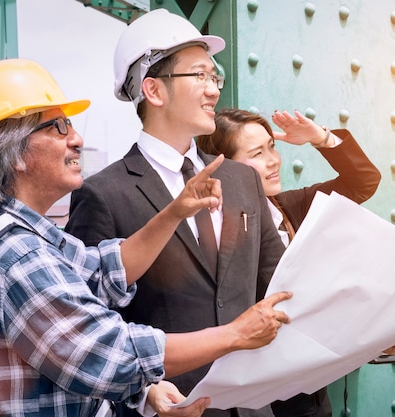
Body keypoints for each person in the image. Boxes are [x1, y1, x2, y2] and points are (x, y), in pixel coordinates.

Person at [0, 58, 292, 417]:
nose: (77, 139)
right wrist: (235, 335)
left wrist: (174, 211)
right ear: (14, 152)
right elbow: (105, 353)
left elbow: (100, 271)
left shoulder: (6, 229)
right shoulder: (17, 255)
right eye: (59, 127)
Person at [66, 9, 287, 417]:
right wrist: (145, 389)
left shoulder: (242, 180)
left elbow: (280, 283)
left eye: (213, 77)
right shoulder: (103, 194)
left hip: (252, 406)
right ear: (154, 90)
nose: (213, 90)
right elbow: (92, 325)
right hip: (168, 407)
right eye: (199, 75)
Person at [197, 108, 381, 417]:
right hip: (252, 396)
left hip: (308, 394)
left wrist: (320, 138)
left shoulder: (290, 207)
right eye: (258, 153)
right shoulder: (205, 231)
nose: (274, 160)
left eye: (273, 146)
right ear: (222, 167)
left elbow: (363, 181)